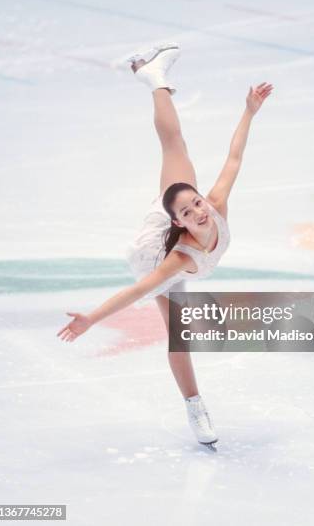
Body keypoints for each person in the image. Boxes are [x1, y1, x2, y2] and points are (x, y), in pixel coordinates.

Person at [57, 41, 273, 448]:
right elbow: (138, 290)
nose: (200, 211)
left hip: (167, 215)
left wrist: (249, 111)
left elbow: (234, 159)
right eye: (190, 212)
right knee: (180, 334)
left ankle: (154, 78)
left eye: (198, 203)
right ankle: (194, 405)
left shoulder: (212, 204)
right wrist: (91, 319)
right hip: (151, 256)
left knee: (176, 146)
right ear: (179, 222)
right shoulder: (177, 258)